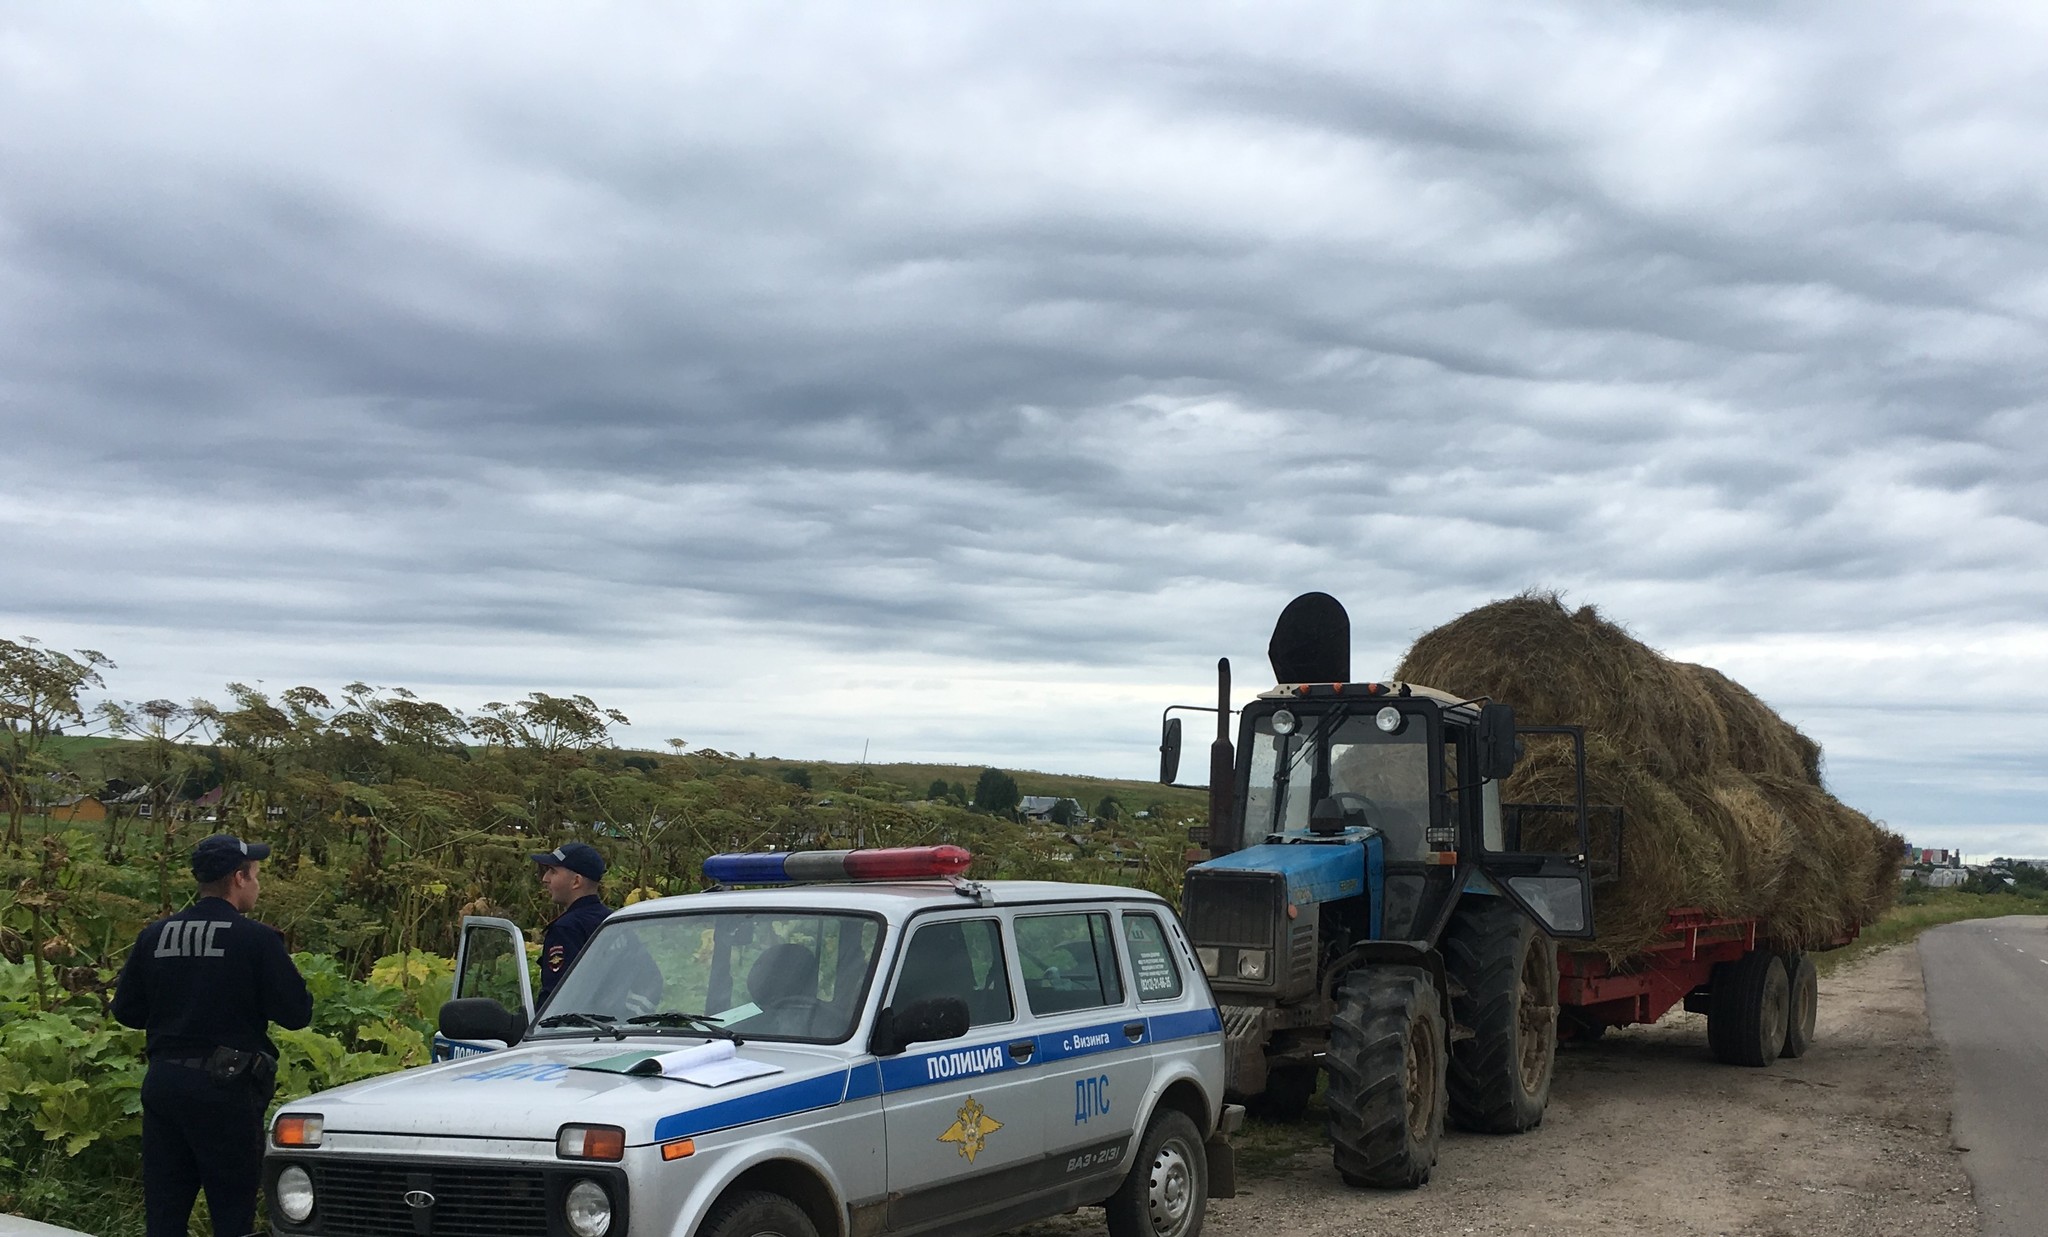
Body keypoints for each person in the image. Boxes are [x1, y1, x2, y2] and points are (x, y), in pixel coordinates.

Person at [112, 833, 313, 1237]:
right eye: (255, 875)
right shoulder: (256, 939)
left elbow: (126, 1011)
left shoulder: (155, 935)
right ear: (239, 878)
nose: (258, 884)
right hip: (227, 1089)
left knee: (165, 1214)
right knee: (232, 1214)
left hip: (165, 1083)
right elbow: (296, 1014)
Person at [531, 841, 613, 1002]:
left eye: (552, 871)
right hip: (614, 1024)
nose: (545, 878)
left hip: (573, 1026)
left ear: (576, 881)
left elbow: (556, 996)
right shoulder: (613, 922)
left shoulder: (566, 929)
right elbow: (651, 979)